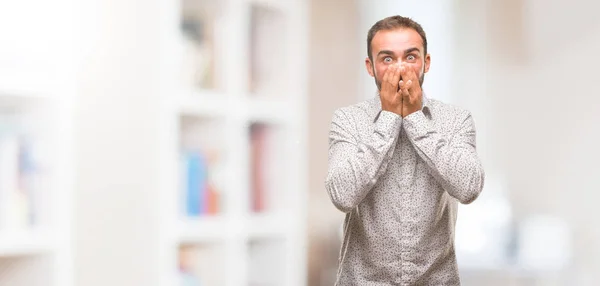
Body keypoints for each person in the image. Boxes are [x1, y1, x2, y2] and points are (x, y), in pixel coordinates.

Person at [325, 15, 485, 285]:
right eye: (387, 59)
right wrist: (388, 117)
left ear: (427, 62)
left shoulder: (456, 120)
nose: (400, 69)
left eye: (410, 57)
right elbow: (342, 195)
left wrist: (414, 118)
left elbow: (469, 187)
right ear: (370, 67)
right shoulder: (347, 120)